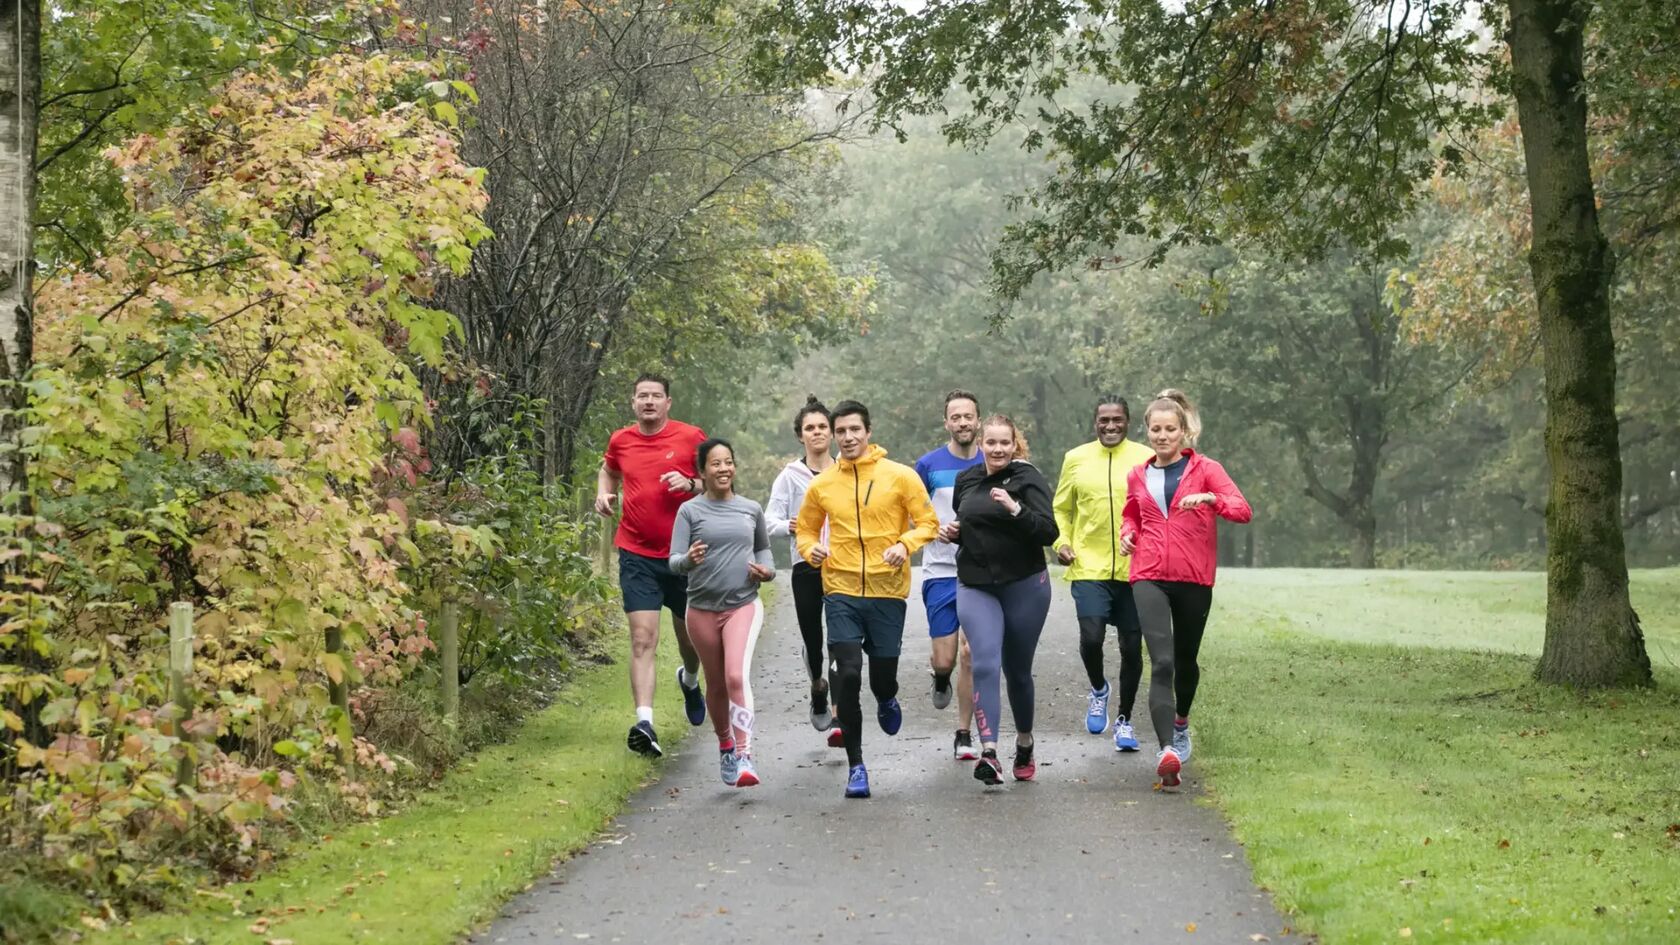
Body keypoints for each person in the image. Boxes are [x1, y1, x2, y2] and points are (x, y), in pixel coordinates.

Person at [795, 400, 940, 799]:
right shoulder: (822, 484)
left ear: (868, 432)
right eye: (841, 432)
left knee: (881, 678)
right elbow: (805, 531)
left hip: (887, 591)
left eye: (854, 430)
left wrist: (904, 544)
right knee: (850, 674)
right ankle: (857, 767)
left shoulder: (901, 477)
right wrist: (811, 552)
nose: (847, 438)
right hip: (840, 589)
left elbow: (928, 523)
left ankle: (888, 696)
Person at [1120, 389, 1252, 789]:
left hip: (1194, 578)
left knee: (1185, 658)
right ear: (1147, 432)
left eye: (1170, 429)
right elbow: (1133, 515)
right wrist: (1128, 534)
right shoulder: (1138, 475)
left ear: (1183, 432)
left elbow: (1242, 510)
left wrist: (1211, 498)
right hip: (1148, 574)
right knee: (1161, 662)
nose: (1162, 436)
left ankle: (1181, 722)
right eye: (1155, 429)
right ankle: (1167, 752)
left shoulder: (1206, 468)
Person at [595, 372, 709, 758]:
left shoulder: (691, 437)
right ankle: (644, 722)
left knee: (688, 637)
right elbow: (608, 469)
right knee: (642, 639)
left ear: (667, 403)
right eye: (642, 396)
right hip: (636, 553)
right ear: (633, 403)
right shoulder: (620, 440)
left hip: (683, 556)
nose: (648, 402)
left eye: (655, 396)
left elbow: (719, 478)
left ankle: (690, 680)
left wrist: (691, 485)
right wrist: (604, 493)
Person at [942, 415, 1058, 785]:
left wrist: (1016, 509)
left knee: (1017, 671)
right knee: (984, 661)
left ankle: (1024, 742)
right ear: (980, 443)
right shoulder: (967, 480)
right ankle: (989, 752)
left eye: (1003, 443)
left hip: (1024, 584)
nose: (996, 449)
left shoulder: (1028, 479)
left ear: (1014, 445)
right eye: (990, 442)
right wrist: (954, 533)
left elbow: (1048, 532)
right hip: (976, 584)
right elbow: (971, 528)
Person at [669, 438, 776, 788]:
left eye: (728, 462)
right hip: (700, 609)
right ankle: (726, 745)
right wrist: (689, 560)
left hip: (742, 604)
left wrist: (767, 571)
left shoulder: (750, 508)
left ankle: (745, 754)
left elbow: (764, 549)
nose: (724, 469)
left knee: (734, 677)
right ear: (701, 472)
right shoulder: (690, 511)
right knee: (715, 684)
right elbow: (674, 561)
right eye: (715, 463)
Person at [1052, 395, 1156, 751]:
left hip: (1136, 568)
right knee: (1092, 637)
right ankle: (1099, 688)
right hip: (1088, 565)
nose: (1110, 426)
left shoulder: (1146, 457)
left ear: (1129, 423)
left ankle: (1125, 721)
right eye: (1103, 421)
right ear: (1094, 423)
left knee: (1131, 646)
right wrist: (1062, 542)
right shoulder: (1076, 458)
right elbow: (1061, 508)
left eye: (1117, 420)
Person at [913, 390, 984, 760]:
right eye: (955, 417)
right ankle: (940, 676)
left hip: (981, 571)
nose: (962, 423)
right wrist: (932, 529)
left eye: (967, 416)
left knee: (971, 654)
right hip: (940, 570)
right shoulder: (927, 465)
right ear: (946, 423)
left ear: (978, 421)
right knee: (946, 658)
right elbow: (908, 512)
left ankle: (963, 734)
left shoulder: (993, 460)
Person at [765, 395, 837, 732]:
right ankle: (818, 685)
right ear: (800, 435)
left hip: (842, 566)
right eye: (810, 427)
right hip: (805, 566)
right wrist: (790, 526)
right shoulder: (789, 476)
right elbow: (769, 521)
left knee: (841, 636)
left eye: (823, 426)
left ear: (832, 433)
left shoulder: (845, 471)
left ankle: (838, 705)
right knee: (814, 639)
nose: (817, 432)